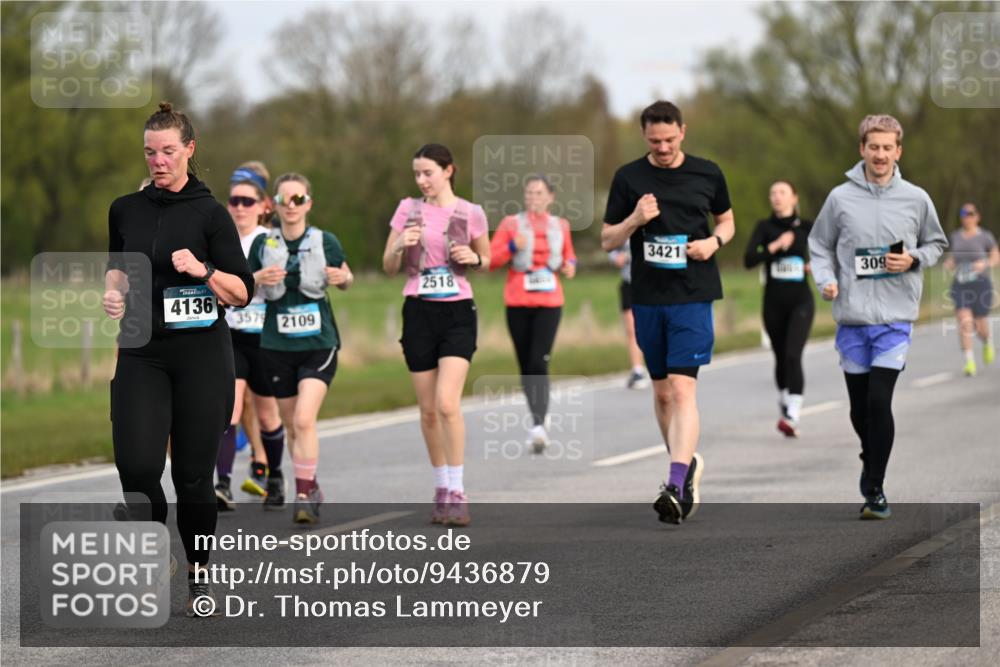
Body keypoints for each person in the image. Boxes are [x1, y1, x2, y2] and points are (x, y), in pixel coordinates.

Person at [104, 102, 254, 616]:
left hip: (201, 358)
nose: (158, 161)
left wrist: (204, 270)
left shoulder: (210, 214)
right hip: (142, 352)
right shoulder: (125, 208)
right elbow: (118, 267)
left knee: (193, 478)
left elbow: (241, 292)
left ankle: (198, 571)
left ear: (190, 149)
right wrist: (113, 293)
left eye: (168, 150)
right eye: (150, 152)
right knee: (137, 465)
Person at [600, 100, 735, 524]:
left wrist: (713, 243)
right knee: (660, 394)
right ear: (644, 136)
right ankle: (686, 463)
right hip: (649, 297)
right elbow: (607, 239)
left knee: (681, 390)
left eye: (669, 139)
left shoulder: (707, 172)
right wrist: (635, 220)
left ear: (683, 132)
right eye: (654, 141)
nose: (662, 147)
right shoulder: (629, 178)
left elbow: (727, 222)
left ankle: (675, 483)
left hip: (693, 293)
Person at [809, 114, 947, 520]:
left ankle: (875, 488)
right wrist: (826, 279)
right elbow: (819, 245)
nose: (881, 154)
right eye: (874, 147)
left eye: (888, 147)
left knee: (878, 400)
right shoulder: (839, 199)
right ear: (862, 150)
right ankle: (871, 456)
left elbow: (937, 242)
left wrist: (914, 258)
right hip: (852, 317)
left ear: (898, 151)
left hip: (895, 317)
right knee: (858, 409)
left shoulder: (916, 198)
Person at [382, 143, 490, 527]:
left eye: (428, 172)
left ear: (449, 170)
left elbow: (487, 259)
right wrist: (398, 245)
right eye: (417, 174)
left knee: (447, 403)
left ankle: (459, 490)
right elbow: (389, 266)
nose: (421, 180)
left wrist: (473, 259)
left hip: (458, 311)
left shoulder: (470, 212)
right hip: (418, 310)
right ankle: (441, 487)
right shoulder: (407, 211)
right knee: (428, 410)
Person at [248, 173, 352, 524]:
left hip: (318, 344)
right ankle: (313, 483)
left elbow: (346, 277)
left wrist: (343, 279)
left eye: (298, 199)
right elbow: (242, 290)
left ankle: (303, 493)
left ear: (309, 203)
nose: (291, 206)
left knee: (305, 419)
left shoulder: (326, 241)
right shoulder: (263, 246)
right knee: (293, 425)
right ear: (273, 204)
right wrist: (258, 279)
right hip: (276, 346)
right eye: (284, 199)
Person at [214, 164, 287, 511]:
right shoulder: (222, 238)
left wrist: (246, 281)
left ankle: (274, 476)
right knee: (229, 409)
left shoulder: (268, 240)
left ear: (263, 206)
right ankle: (223, 484)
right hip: (232, 334)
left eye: (247, 201)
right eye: (234, 201)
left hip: (265, 336)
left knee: (268, 415)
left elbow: (273, 285)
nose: (240, 207)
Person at [489, 175, 576, 452]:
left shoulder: (561, 226)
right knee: (526, 364)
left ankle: (538, 425)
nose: (533, 198)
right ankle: (537, 414)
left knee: (539, 361)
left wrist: (570, 266)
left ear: (550, 197)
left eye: (539, 193)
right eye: (529, 193)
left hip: (550, 301)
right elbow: (491, 260)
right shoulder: (510, 224)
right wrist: (514, 246)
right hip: (517, 300)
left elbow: (569, 256)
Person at [743, 181, 815, 437]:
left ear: (794, 198)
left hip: (801, 301)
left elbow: (826, 252)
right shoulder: (765, 227)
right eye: (772, 193)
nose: (777, 197)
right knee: (781, 356)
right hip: (773, 302)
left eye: (782, 193)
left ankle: (793, 414)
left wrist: (814, 266)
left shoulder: (807, 226)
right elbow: (749, 259)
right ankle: (785, 399)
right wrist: (774, 247)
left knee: (794, 354)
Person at [943, 202, 998, 376]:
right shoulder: (956, 236)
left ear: (977, 216)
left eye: (971, 213)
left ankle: (987, 340)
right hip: (961, 284)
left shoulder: (985, 236)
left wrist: (987, 263)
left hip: (980, 284)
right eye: (964, 213)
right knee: (964, 319)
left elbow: (996, 255)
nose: (967, 217)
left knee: (980, 325)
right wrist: (949, 263)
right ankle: (969, 362)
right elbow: (954, 258)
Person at [608, 243, 649, 389]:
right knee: (632, 329)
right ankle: (637, 370)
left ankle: (666, 366)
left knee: (657, 326)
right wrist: (616, 258)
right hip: (630, 282)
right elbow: (611, 248)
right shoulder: (625, 222)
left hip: (653, 283)